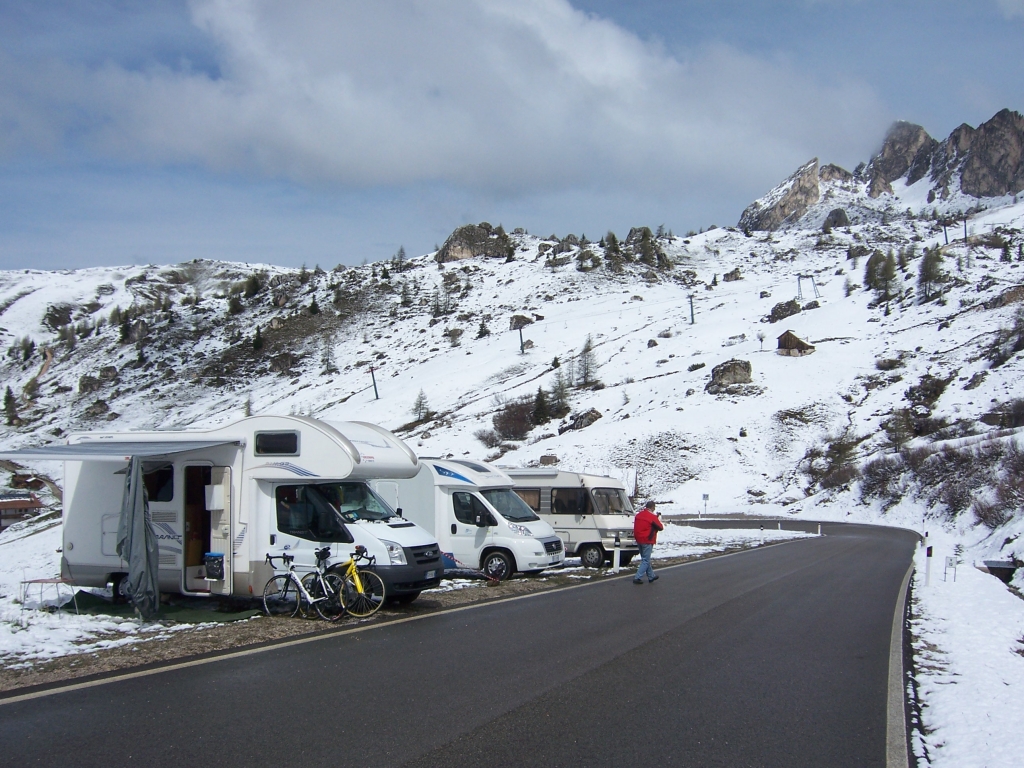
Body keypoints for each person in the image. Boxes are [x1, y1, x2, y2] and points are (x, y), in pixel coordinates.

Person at [633, 500, 663, 584]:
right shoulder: (652, 517)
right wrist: (657, 518)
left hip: (638, 539)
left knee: (645, 559)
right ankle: (637, 577)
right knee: (646, 560)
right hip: (647, 539)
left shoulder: (638, 515)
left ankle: (651, 576)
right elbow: (660, 527)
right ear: (652, 507)